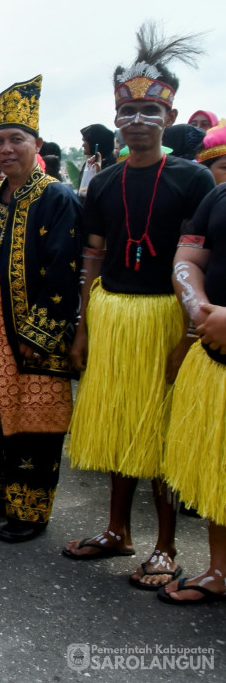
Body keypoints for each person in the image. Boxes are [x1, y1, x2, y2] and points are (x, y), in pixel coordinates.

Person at [63, 38, 215, 593]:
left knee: (160, 431)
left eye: (149, 111)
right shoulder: (102, 183)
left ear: (170, 116)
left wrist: (190, 331)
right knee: (116, 423)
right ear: (116, 117)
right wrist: (81, 329)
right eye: (127, 111)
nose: (137, 121)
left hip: (165, 319)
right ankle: (117, 530)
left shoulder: (194, 179)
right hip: (113, 314)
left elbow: (196, 260)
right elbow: (93, 258)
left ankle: (167, 546)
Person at [0, 76, 82, 543]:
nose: (6, 149)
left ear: (37, 144)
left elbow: (62, 273)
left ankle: (30, 510)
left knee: (33, 422)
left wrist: (41, 335)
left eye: (17, 139)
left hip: (32, 328)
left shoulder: (57, 197)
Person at [158, 185, 226, 603]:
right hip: (216, 358)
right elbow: (188, 258)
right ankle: (219, 570)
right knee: (218, 470)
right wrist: (199, 305)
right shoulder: (219, 196)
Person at [77, 123, 116, 200]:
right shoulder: (88, 164)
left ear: (95, 144)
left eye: (85, 141)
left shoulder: (111, 168)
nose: (83, 145)